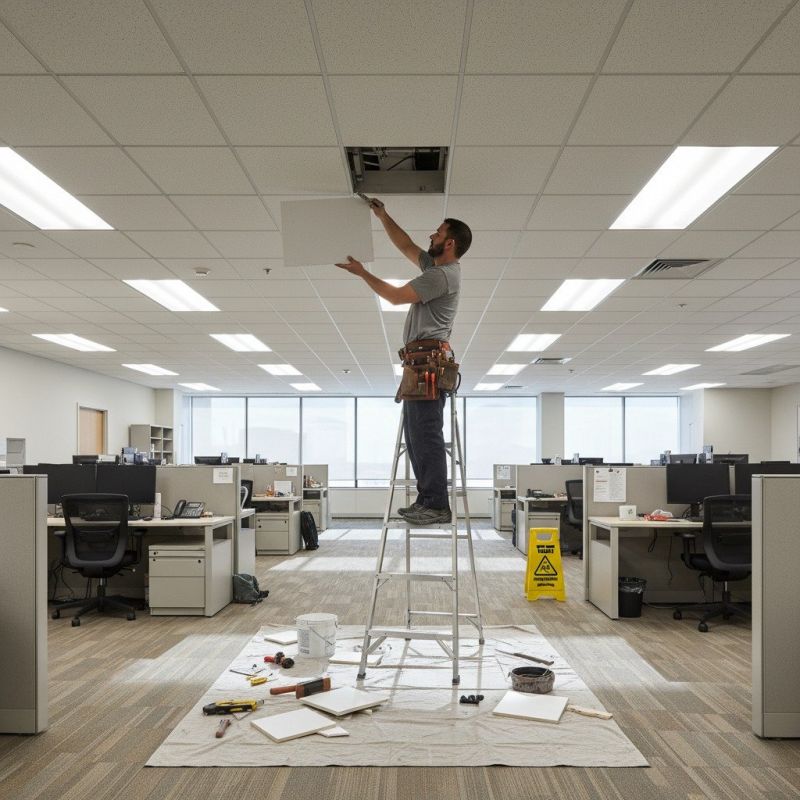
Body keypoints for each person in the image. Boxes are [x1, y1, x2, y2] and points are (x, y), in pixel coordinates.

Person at [336, 198, 472, 526]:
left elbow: (396, 297)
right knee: (415, 435)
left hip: (428, 365)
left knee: (426, 434)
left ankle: (437, 504)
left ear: (449, 243)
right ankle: (427, 500)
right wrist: (383, 216)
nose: (431, 236)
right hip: (419, 364)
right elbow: (406, 245)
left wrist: (362, 273)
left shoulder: (442, 277)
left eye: (437, 234)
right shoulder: (437, 270)